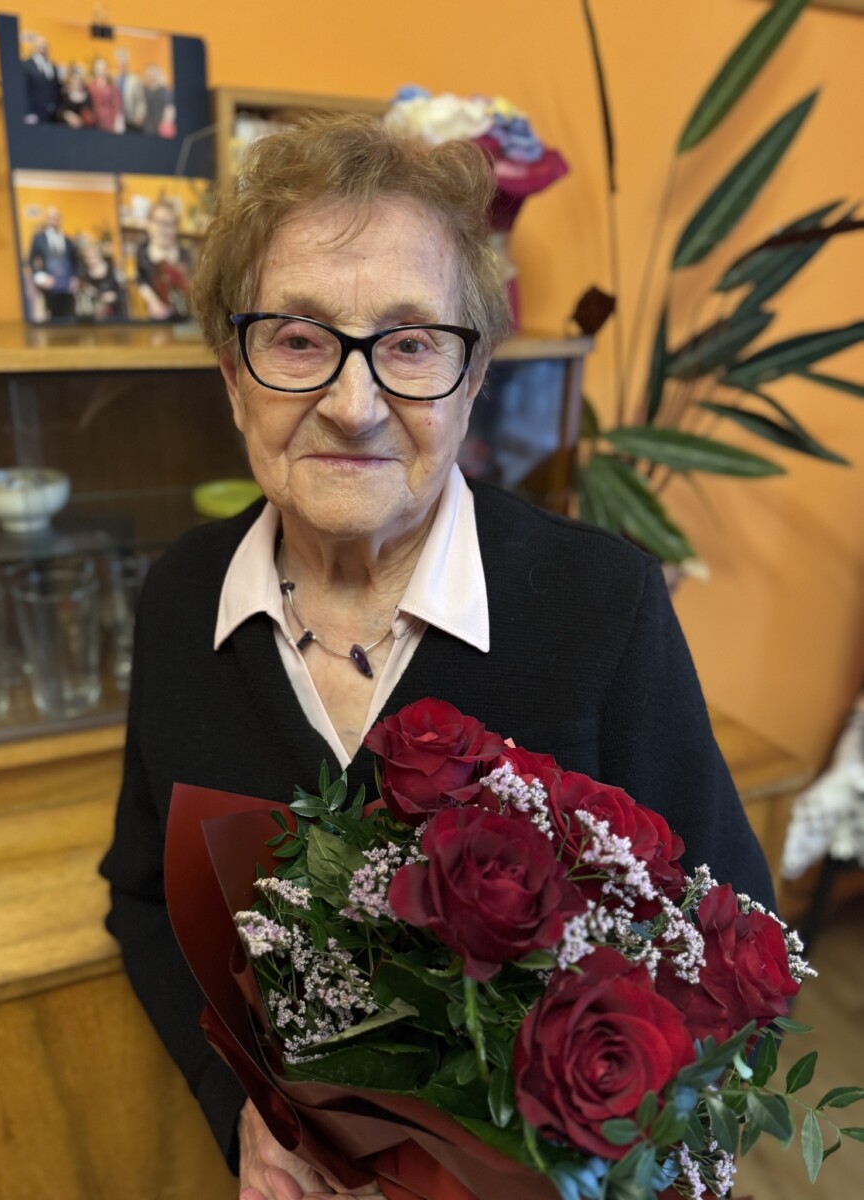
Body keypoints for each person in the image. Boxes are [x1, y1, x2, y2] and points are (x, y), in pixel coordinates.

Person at [100, 114, 776, 1200]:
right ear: (232, 375)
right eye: (297, 338)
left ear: (472, 379)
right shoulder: (182, 600)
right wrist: (242, 1111)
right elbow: (142, 898)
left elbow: (735, 947)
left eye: (412, 344)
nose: (354, 404)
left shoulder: (600, 605)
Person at [134, 200, 192, 321]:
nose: (165, 229)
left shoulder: (185, 254)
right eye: (160, 222)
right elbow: (140, 281)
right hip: (154, 319)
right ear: (149, 223)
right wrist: (152, 301)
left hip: (183, 319)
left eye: (170, 224)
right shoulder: (142, 252)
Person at [27, 207, 80, 319]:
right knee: (51, 317)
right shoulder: (39, 239)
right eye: (51, 217)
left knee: (69, 315)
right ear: (46, 219)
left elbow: (75, 261)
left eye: (56, 217)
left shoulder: (67, 240)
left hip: (67, 287)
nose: (54, 220)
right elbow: (31, 260)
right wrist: (40, 277)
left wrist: (75, 278)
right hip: (49, 286)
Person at [23, 35, 61, 124]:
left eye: (45, 46)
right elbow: (24, 90)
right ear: (34, 47)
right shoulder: (26, 66)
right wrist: (29, 112)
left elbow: (55, 88)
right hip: (35, 114)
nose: (43, 48)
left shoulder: (53, 66)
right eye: (40, 46)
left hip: (52, 115)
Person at [87, 56, 124, 133]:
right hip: (93, 121)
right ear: (94, 69)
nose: (101, 71)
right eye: (98, 68)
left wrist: (118, 122)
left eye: (103, 68)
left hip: (109, 121)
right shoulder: (89, 85)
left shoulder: (112, 86)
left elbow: (117, 105)